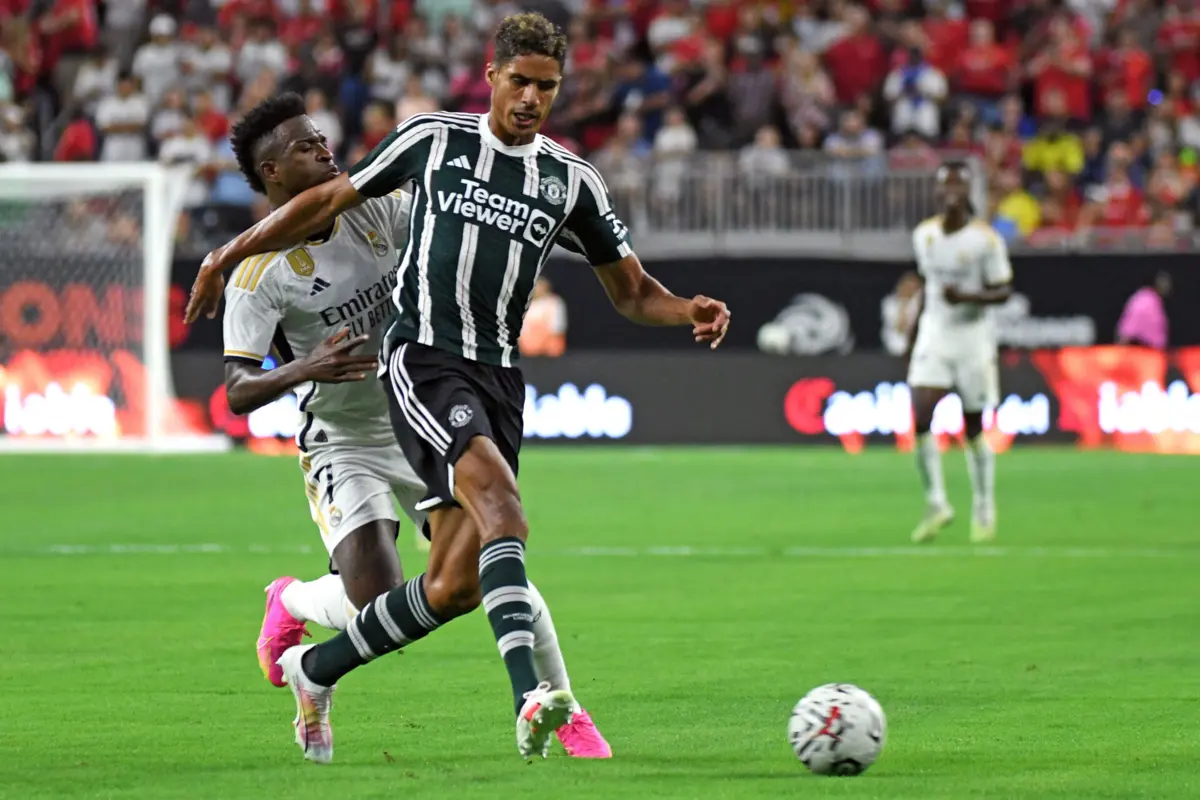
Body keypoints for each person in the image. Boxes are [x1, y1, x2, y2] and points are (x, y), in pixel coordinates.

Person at [187, 13, 731, 762]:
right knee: (495, 518)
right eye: (521, 82)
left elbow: (627, 287)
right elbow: (241, 384)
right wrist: (228, 263)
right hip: (391, 396)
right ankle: (540, 703)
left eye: (548, 86)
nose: (532, 98)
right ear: (492, 77)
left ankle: (318, 667)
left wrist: (684, 308)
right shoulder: (421, 149)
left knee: (459, 582)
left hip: (488, 378)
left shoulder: (553, 181)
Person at [218, 92, 611, 762]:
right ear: (273, 173)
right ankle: (293, 599)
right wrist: (307, 366)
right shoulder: (259, 276)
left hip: (419, 409)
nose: (325, 150)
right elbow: (236, 391)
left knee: (493, 545)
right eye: (306, 146)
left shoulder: (375, 209)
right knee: (377, 604)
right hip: (342, 439)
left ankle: (564, 708)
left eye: (322, 138)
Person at [906, 161, 1012, 545]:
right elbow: (928, 287)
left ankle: (983, 504)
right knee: (920, 415)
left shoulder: (986, 241)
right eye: (945, 184)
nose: (951, 191)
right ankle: (936, 502)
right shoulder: (924, 235)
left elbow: (1003, 290)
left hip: (972, 338)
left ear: (968, 192)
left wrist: (968, 296)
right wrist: (912, 336)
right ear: (937, 191)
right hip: (935, 334)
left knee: (973, 427)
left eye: (958, 185)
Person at [1116, 271, 1170, 349]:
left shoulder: (1155, 301)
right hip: (1138, 350)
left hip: (1153, 350)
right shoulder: (1144, 299)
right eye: (1163, 282)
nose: (1166, 286)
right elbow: (1129, 327)